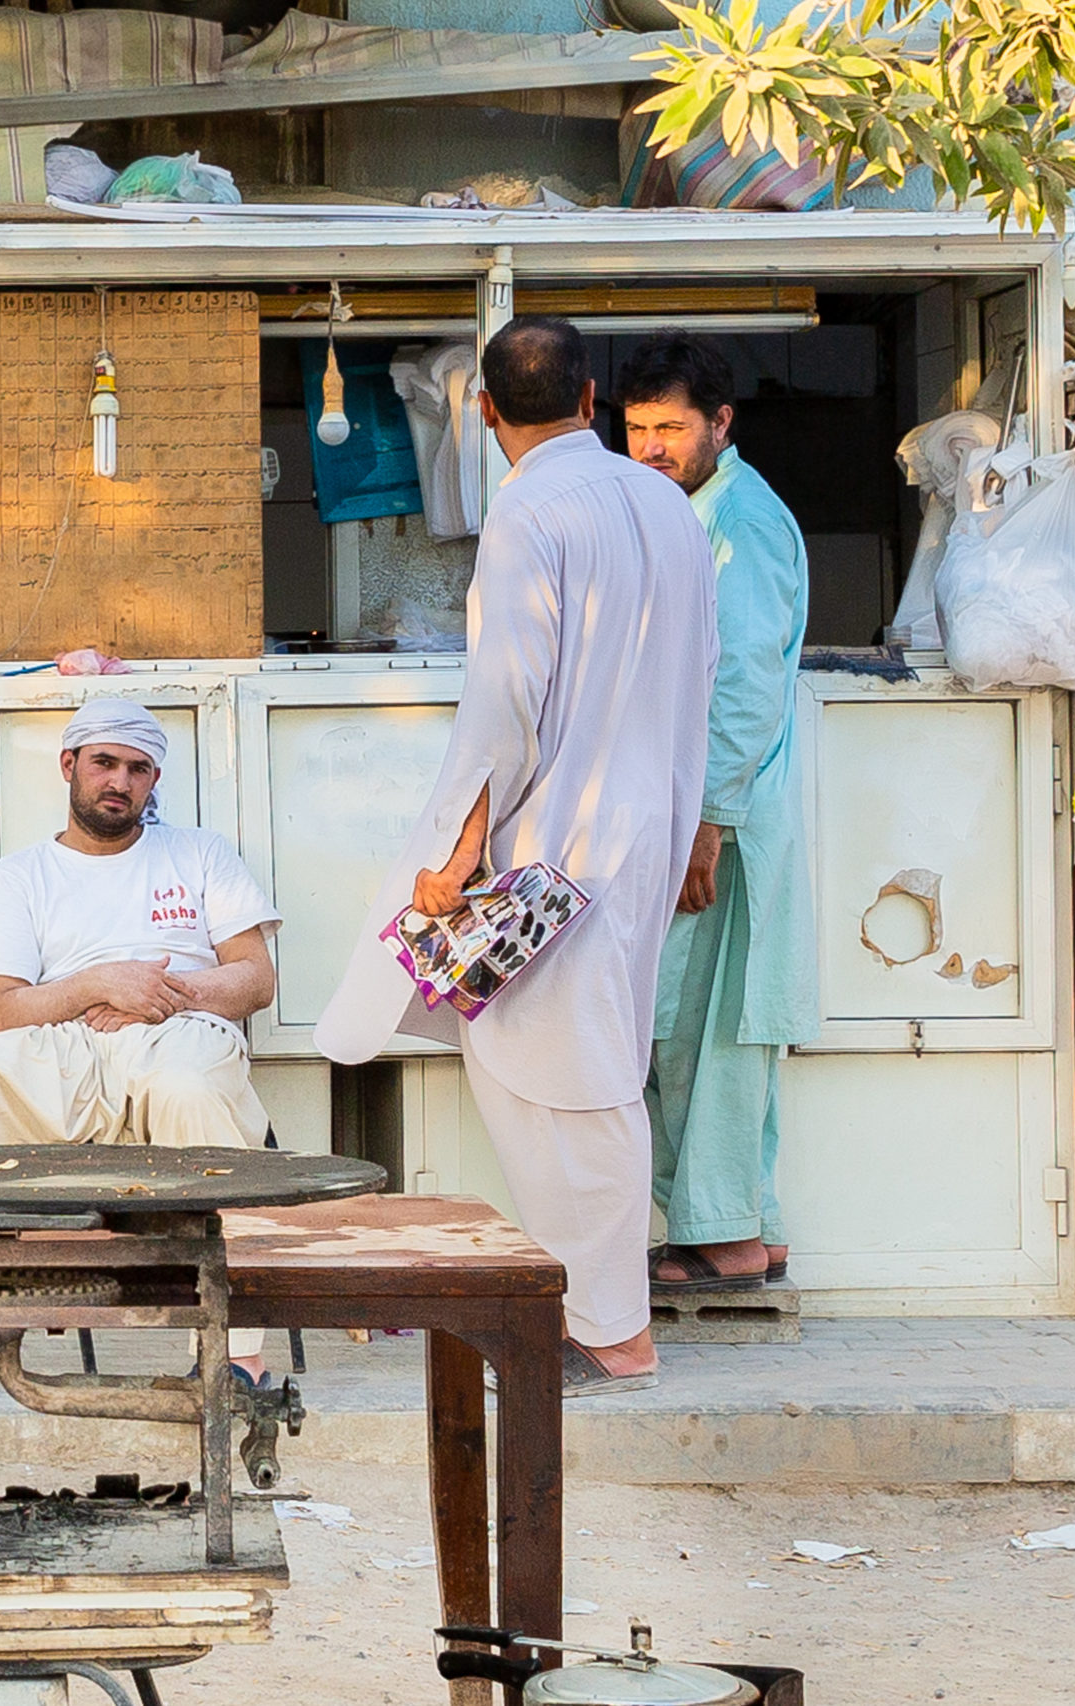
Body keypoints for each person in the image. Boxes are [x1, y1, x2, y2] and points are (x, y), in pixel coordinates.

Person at [315, 316, 717, 1398]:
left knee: (563, 1081)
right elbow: (702, 674)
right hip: (641, 830)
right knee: (587, 1066)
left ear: (484, 411)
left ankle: (610, 1332)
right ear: (589, 399)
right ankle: (594, 1316)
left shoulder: (528, 512)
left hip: (554, 843)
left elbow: (505, 703)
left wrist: (457, 854)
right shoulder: (666, 505)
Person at [0, 701, 283, 1402]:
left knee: (188, 1088)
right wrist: (98, 984)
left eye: (138, 769)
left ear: (154, 780)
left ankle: (236, 1354)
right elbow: (4, 1009)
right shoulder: (21, 874)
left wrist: (159, 994)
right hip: (66, 1042)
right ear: (69, 765)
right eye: (104, 763)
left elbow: (255, 978)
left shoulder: (200, 854)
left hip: (182, 1030)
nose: (120, 782)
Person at [619, 333, 817, 1294]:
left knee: (692, 1030)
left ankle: (722, 1239)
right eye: (636, 428)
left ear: (721, 424)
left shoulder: (741, 520)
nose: (652, 446)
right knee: (702, 1025)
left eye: (672, 427)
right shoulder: (685, 513)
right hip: (705, 811)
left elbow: (742, 686)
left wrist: (705, 821)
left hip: (722, 823)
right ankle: (751, 1229)